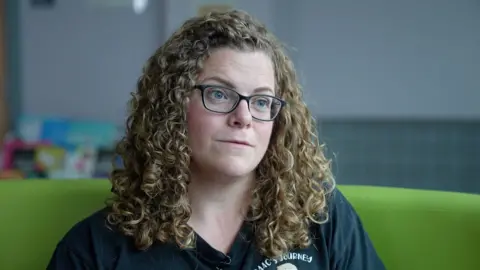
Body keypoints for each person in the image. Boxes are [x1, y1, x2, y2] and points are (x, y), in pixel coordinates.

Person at [47, 10, 385, 270]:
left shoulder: (321, 215)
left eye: (262, 101)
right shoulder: (94, 249)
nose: (244, 117)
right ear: (174, 106)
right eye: (220, 94)